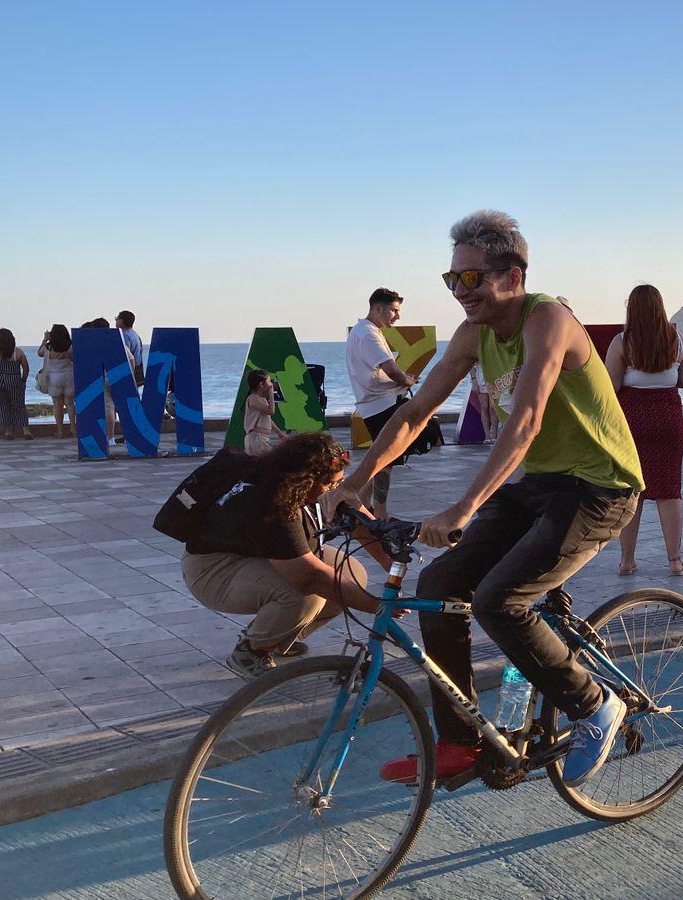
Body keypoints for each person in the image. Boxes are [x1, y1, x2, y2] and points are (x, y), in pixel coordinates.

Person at [327, 209, 642, 787]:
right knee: (439, 585)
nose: (459, 293)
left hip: (601, 486)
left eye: (470, 279)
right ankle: (460, 743)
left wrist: (464, 507)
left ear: (513, 276)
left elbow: (524, 420)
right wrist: (354, 481)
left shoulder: (547, 319)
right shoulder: (473, 335)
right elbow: (416, 411)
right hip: (542, 484)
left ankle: (595, 704)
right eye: (452, 280)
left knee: (501, 600)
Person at [180, 433, 385, 678]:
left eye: (339, 482)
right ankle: (251, 651)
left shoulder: (303, 486)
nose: (335, 488)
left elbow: (359, 523)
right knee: (307, 594)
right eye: (330, 483)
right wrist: (378, 607)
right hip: (214, 569)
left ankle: (279, 637)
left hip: (257, 554)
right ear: (304, 480)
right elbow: (309, 577)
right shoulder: (272, 503)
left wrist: (393, 563)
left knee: (350, 574)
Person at [607, 284, 683, 576]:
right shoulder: (677, 340)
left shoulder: (622, 342)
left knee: (632, 489)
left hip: (633, 418)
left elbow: (611, 387)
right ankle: (674, 561)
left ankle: (627, 561)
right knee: (670, 490)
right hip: (668, 416)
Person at [346, 288, 418, 519]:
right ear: (379, 308)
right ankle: (381, 512)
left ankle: (362, 502)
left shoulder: (362, 331)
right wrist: (406, 379)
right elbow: (390, 368)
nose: (397, 316)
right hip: (381, 405)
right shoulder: (368, 335)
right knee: (385, 460)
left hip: (375, 403)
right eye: (394, 310)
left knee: (383, 459)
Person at [0, 329, 33, 440]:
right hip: (14, 381)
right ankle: (25, 430)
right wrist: (23, 380)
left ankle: (8, 431)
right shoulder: (17, 352)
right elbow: (26, 368)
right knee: (19, 405)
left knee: (3, 406)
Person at [38, 325, 75, 438]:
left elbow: (40, 353)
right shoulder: (70, 346)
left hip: (54, 377)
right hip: (69, 376)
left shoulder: (49, 347)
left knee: (57, 405)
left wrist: (45, 339)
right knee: (70, 403)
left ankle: (60, 431)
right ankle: (73, 428)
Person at [242, 370, 284, 454]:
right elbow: (271, 411)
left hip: (261, 438)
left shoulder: (261, 399)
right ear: (261, 384)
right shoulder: (253, 399)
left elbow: (268, 418)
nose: (271, 384)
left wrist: (279, 432)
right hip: (256, 438)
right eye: (269, 381)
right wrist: (271, 392)